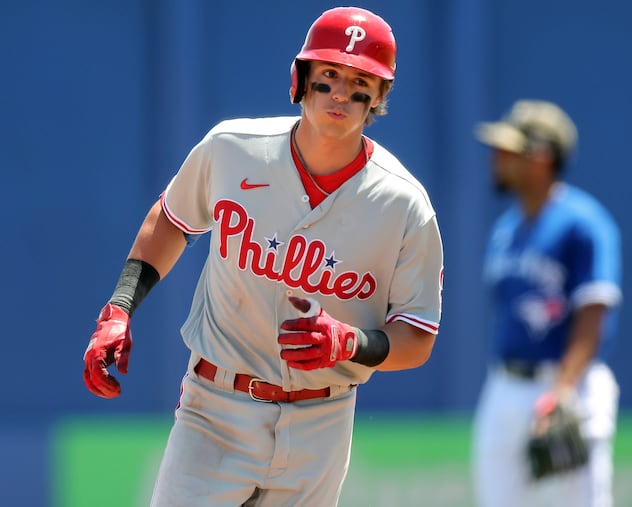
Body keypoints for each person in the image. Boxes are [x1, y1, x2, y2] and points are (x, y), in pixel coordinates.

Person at [82, 7, 444, 506]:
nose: (341, 91)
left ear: (380, 95)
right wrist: (120, 308)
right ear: (301, 79)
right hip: (215, 408)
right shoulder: (233, 149)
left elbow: (417, 336)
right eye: (330, 73)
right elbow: (171, 219)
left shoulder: (405, 205)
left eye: (361, 79)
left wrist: (352, 342)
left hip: (323, 421)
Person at [471, 100, 622, 507]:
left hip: (569, 386)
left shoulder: (584, 223)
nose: (496, 158)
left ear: (540, 156)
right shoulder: (506, 229)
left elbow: (594, 313)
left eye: (508, 150)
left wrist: (562, 392)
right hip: (505, 385)